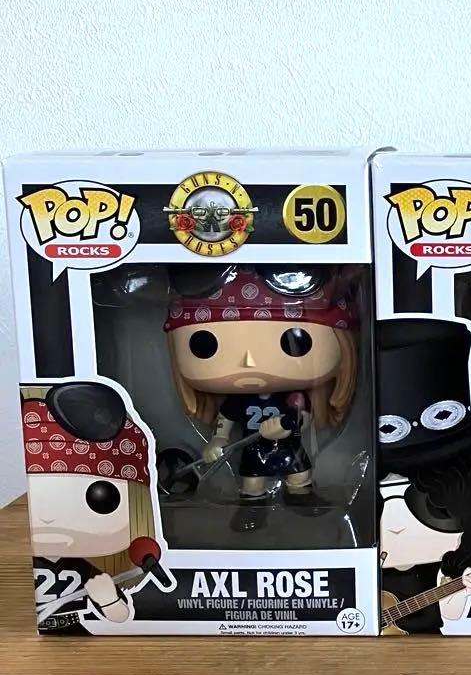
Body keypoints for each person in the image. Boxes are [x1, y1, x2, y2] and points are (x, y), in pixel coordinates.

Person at [165, 264, 358, 513]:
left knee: (299, 477)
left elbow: (304, 419)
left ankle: (300, 497)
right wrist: (217, 440)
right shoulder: (239, 401)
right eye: (205, 344)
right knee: (252, 483)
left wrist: (287, 427)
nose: (249, 362)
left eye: (295, 339)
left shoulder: (293, 397)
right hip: (254, 450)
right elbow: (225, 422)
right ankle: (252, 508)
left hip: (289, 448)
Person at [377, 318, 471, 634]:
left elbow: (453, 616)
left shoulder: (450, 567)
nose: (397, 525)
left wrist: (457, 591)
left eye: (433, 508)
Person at [24, 382, 157, 633]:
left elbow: (121, 616)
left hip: (77, 633)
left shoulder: (83, 568)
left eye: (101, 499)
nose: (50, 516)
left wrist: (108, 600)